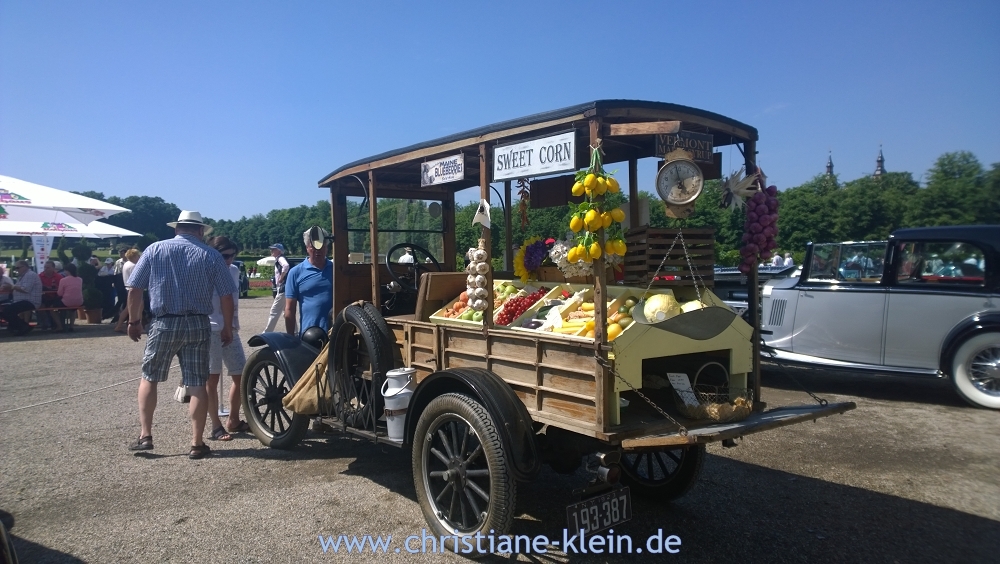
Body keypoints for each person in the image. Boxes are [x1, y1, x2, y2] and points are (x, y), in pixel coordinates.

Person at [125, 210, 237, 460]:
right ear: (200, 231)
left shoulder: (154, 249)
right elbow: (226, 295)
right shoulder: (211, 255)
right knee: (197, 383)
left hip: (164, 322)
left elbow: (134, 289)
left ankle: (145, 435)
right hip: (198, 322)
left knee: (150, 377)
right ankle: (197, 443)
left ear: (177, 228)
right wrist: (227, 327)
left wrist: (133, 321)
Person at [204, 236, 249, 441]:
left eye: (233, 255)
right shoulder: (204, 270)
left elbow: (233, 300)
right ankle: (216, 425)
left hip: (230, 328)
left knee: (241, 375)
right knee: (212, 378)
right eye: (225, 256)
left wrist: (231, 326)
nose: (229, 260)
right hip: (211, 327)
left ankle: (233, 419)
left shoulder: (233, 270)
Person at [285, 226, 333, 336]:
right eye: (313, 247)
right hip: (309, 334)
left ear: (327, 247)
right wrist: (290, 338)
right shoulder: (295, 272)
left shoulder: (336, 270)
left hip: (336, 334)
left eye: (322, 246)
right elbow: (289, 309)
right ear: (307, 248)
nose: (318, 250)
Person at [0, 261, 41, 336]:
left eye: (17, 268)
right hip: (22, 301)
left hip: (30, 301)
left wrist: (12, 287)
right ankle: (16, 327)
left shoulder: (30, 275)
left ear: (25, 267)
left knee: (7, 311)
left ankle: (23, 327)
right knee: (4, 310)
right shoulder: (23, 276)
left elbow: (26, 289)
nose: (16, 269)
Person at [262, 243, 290, 333]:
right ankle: (294, 332)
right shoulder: (280, 259)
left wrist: (281, 278)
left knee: (274, 310)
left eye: (273, 249)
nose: (271, 251)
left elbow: (286, 266)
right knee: (286, 312)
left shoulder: (280, 258)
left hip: (282, 288)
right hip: (285, 288)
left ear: (279, 251)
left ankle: (267, 332)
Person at [113, 249, 141, 332]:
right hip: (134, 288)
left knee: (129, 308)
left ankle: (120, 325)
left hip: (128, 287)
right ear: (134, 256)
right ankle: (137, 326)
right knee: (135, 308)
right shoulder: (134, 266)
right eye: (138, 255)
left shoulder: (126, 264)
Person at [38, 260, 65, 331]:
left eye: (48, 267)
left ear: (53, 268)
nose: (45, 269)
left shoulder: (59, 277)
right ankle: (45, 324)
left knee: (56, 306)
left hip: (55, 297)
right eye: (45, 267)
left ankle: (57, 324)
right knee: (40, 306)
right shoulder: (39, 276)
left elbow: (62, 288)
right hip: (44, 297)